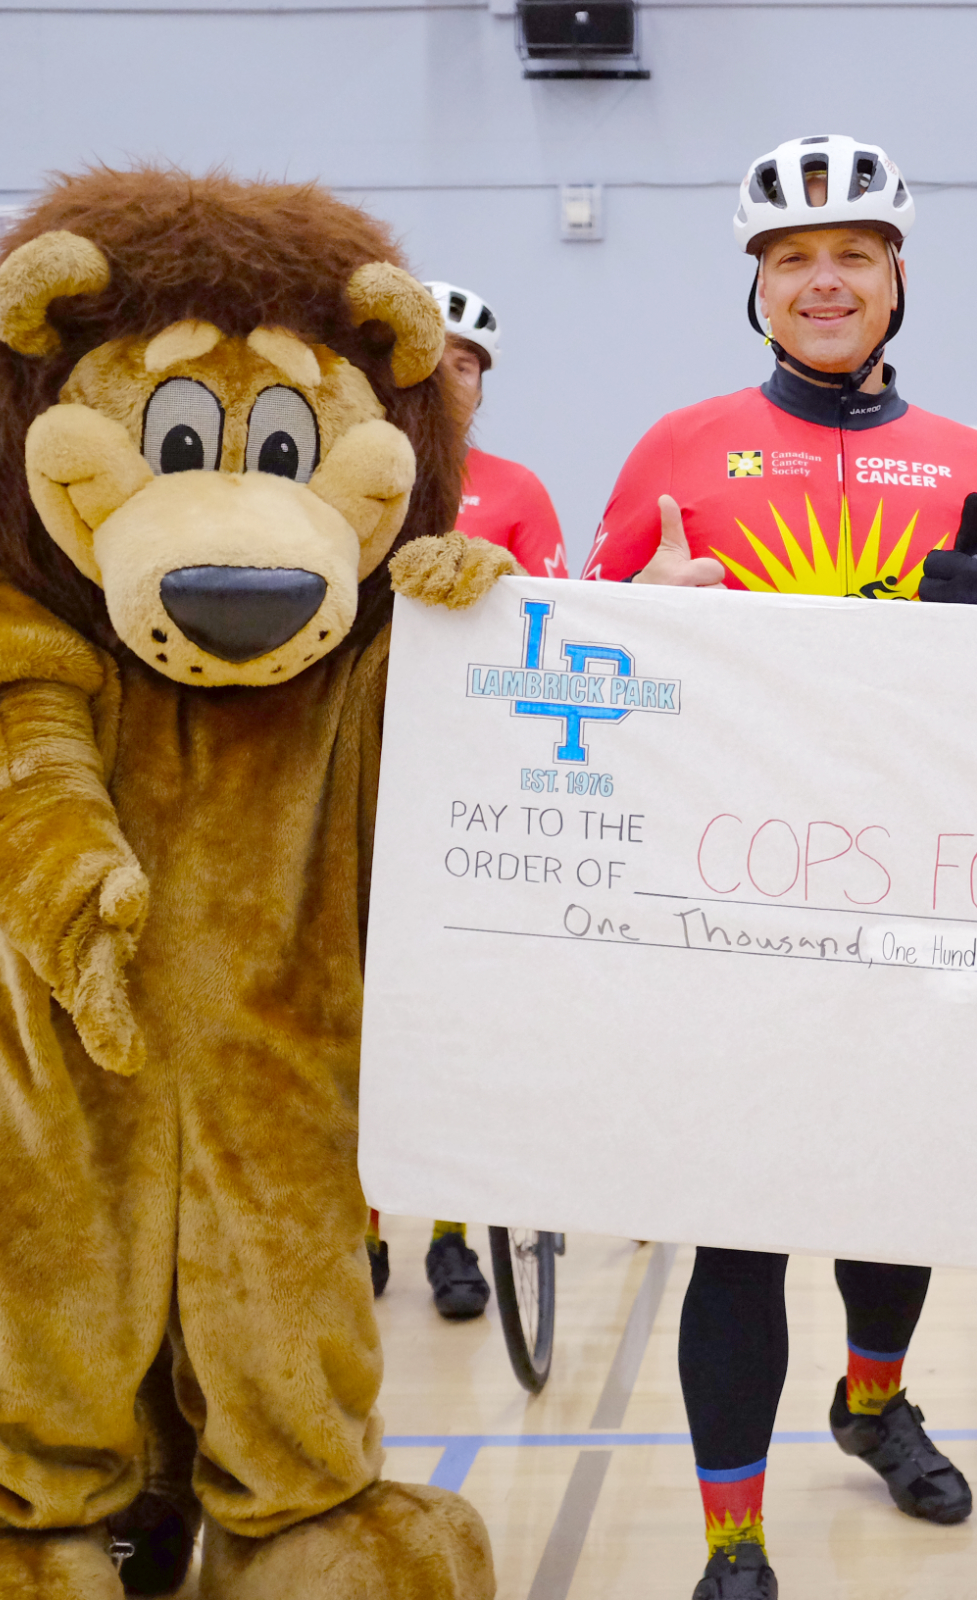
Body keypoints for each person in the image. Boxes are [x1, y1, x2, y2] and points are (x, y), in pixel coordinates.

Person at [582, 133, 977, 1600]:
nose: (824, 279)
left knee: (898, 1204)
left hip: (912, 900)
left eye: (853, 253)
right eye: (794, 259)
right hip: (727, 906)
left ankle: (870, 1403)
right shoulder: (676, 447)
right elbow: (565, 685)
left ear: (899, 277)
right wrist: (625, 613)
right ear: (758, 289)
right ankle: (733, 1538)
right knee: (739, 1239)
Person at [357, 278, 564, 1323]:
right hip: (357, 783)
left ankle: (448, 1235)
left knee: (449, 1028)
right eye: (432, 359)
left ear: (484, 383)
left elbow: (553, 643)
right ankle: (358, 1226)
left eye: (467, 362)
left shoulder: (519, 490)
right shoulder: (341, 481)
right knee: (355, 1022)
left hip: (470, 794)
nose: (448, 377)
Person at [430, 279, 570, 579]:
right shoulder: (355, 476)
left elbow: (550, 615)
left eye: (463, 367)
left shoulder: (519, 489)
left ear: (480, 390)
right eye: (432, 364)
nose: (446, 384)